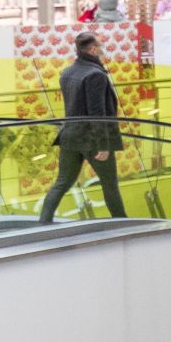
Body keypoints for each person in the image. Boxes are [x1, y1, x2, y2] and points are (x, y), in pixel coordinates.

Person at [38, 31, 128, 224]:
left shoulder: (68, 72)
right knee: (110, 185)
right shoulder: (95, 75)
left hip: (69, 136)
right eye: (100, 46)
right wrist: (103, 144)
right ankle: (123, 225)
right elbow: (97, 113)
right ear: (93, 49)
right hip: (93, 139)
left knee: (62, 182)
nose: (102, 50)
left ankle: (43, 223)